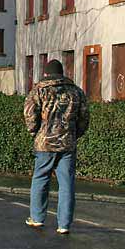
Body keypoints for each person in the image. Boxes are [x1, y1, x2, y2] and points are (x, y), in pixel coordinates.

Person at [23, 59, 89, 234]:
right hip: (67, 143)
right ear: (62, 73)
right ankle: (64, 224)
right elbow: (84, 118)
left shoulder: (39, 90)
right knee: (66, 183)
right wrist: (75, 134)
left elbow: (30, 115)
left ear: (46, 74)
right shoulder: (76, 91)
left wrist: (35, 133)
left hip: (44, 143)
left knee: (40, 179)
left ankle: (37, 218)